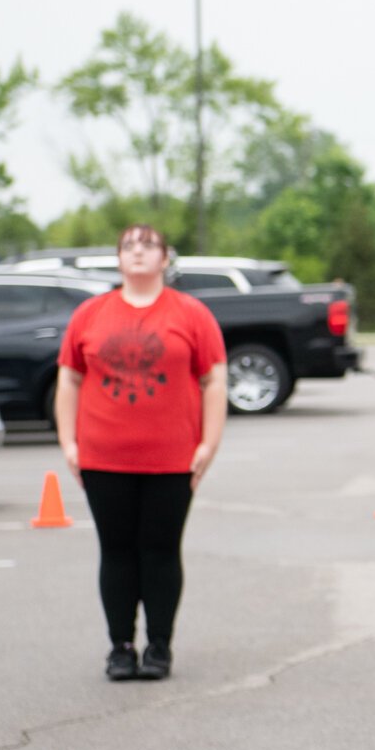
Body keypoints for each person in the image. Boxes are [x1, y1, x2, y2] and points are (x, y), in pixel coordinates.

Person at [55, 224, 228, 681]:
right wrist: (69, 443)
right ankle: (120, 646)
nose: (138, 252)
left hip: (172, 459)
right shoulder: (91, 314)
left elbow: (214, 379)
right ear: (117, 259)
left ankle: (159, 646)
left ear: (165, 258)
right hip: (103, 456)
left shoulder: (191, 314)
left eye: (148, 245)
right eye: (129, 245)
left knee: (160, 550)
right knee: (116, 551)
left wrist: (208, 443)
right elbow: (69, 378)